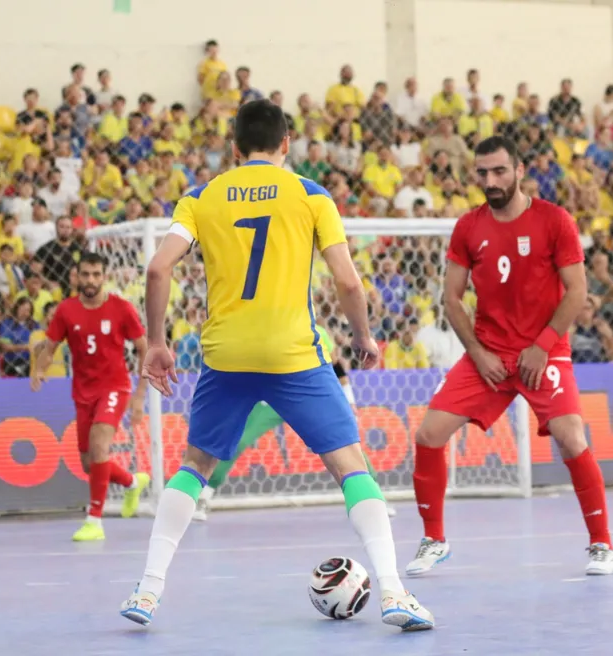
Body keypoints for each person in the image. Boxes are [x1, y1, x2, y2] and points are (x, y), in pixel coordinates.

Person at [120, 99, 433, 631]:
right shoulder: (311, 194)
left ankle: (147, 592)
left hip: (227, 356)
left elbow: (157, 269)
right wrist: (362, 337)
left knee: (194, 466)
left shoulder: (200, 197)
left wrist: (155, 343)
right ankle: (395, 594)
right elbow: (349, 281)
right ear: (286, 144)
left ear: (234, 147)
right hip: (294, 356)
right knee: (352, 467)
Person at [407, 135, 613, 578]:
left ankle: (601, 544)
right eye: (483, 173)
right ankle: (434, 539)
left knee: (572, 437)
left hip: (545, 351)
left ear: (519, 171)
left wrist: (542, 346)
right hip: (491, 355)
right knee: (428, 435)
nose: (491, 180)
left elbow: (578, 290)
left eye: (500, 171)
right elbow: (451, 298)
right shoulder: (468, 226)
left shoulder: (554, 221)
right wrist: (479, 354)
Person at [193, 324, 396, 520]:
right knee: (239, 439)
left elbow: (337, 369)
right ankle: (205, 495)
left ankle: (374, 497)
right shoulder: (265, 325)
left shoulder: (318, 332)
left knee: (345, 443)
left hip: (305, 395)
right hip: (271, 397)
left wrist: (349, 400)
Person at [30, 252, 151, 541]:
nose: (91, 280)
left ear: (104, 276)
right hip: (82, 392)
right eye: (85, 274)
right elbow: (50, 346)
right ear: (76, 277)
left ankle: (94, 521)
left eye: (96, 274)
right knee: (89, 462)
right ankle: (133, 482)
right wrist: (39, 369)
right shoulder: (66, 310)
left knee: (99, 449)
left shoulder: (121, 308)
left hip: (114, 387)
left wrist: (139, 396)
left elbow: (145, 349)